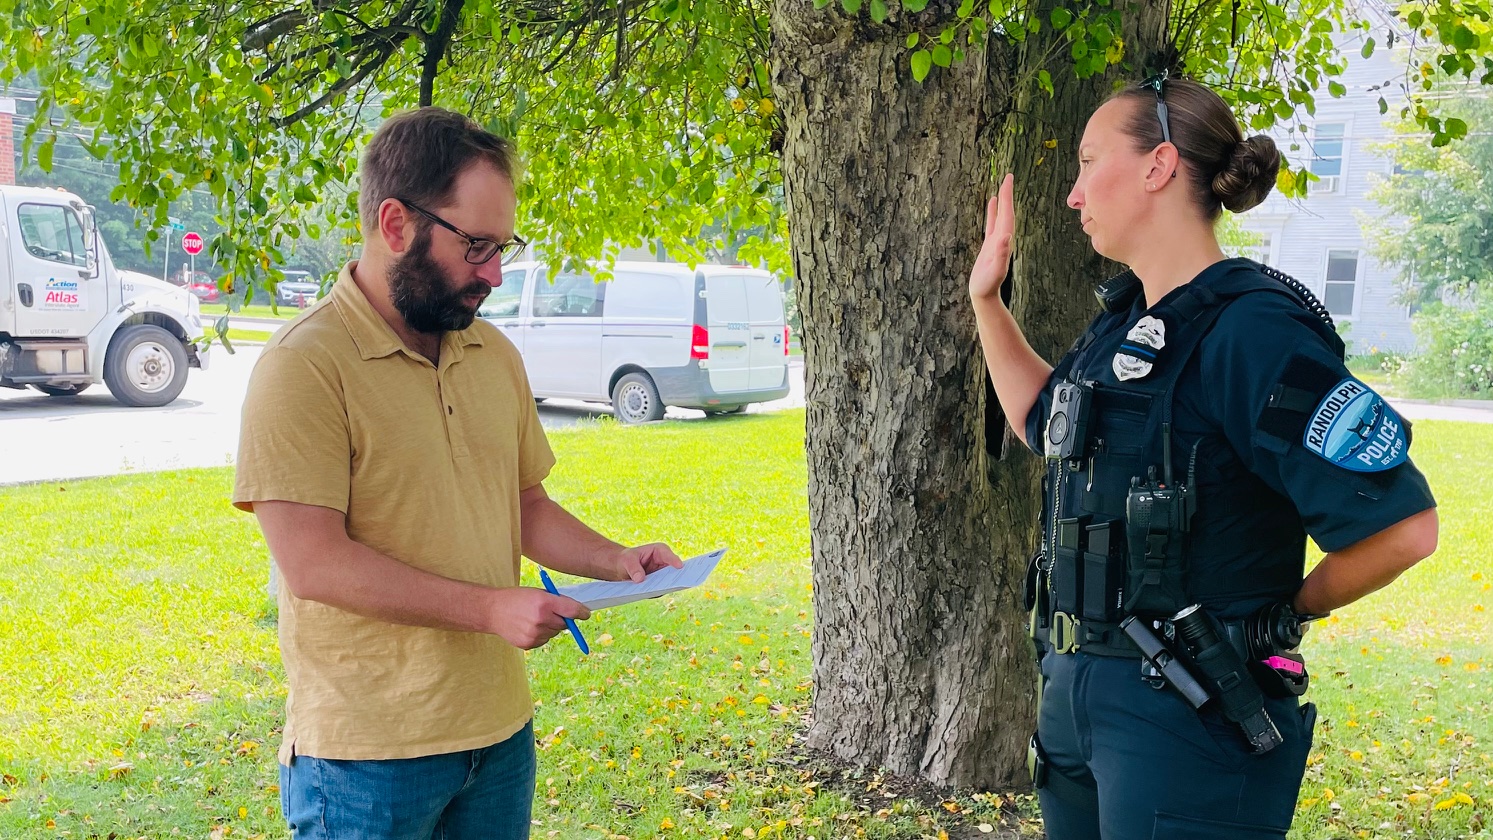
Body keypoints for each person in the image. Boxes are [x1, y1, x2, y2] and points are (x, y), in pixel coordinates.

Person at [968, 75, 1439, 838]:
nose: (1073, 195)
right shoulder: (1126, 324)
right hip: (1079, 697)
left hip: (1186, 718)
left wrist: (1280, 620)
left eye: (1089, 163)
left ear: (1157, 167)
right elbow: (1042, 423)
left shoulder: (1252, 333)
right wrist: (986, 301)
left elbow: (1402, 528)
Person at [233, 107, 684, 840]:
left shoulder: (491, 354)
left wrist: (614, 559)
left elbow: (523, 503)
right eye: (475, 246)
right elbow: (313, 563)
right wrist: (488, 609)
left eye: (502, 247)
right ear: (393, 223)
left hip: (498, 736)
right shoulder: (302, 366)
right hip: (366, 757)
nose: (494, 274)